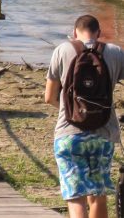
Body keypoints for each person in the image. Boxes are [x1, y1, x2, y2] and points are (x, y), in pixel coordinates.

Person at [45, 15, 124, 218]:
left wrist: (71, 110)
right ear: (99, 33)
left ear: (74, 33)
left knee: (75, 197)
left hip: (68, 134)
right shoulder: (115, 52)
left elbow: (49, 97)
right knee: (98, 194)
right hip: (104, 133)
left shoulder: (62, 50)